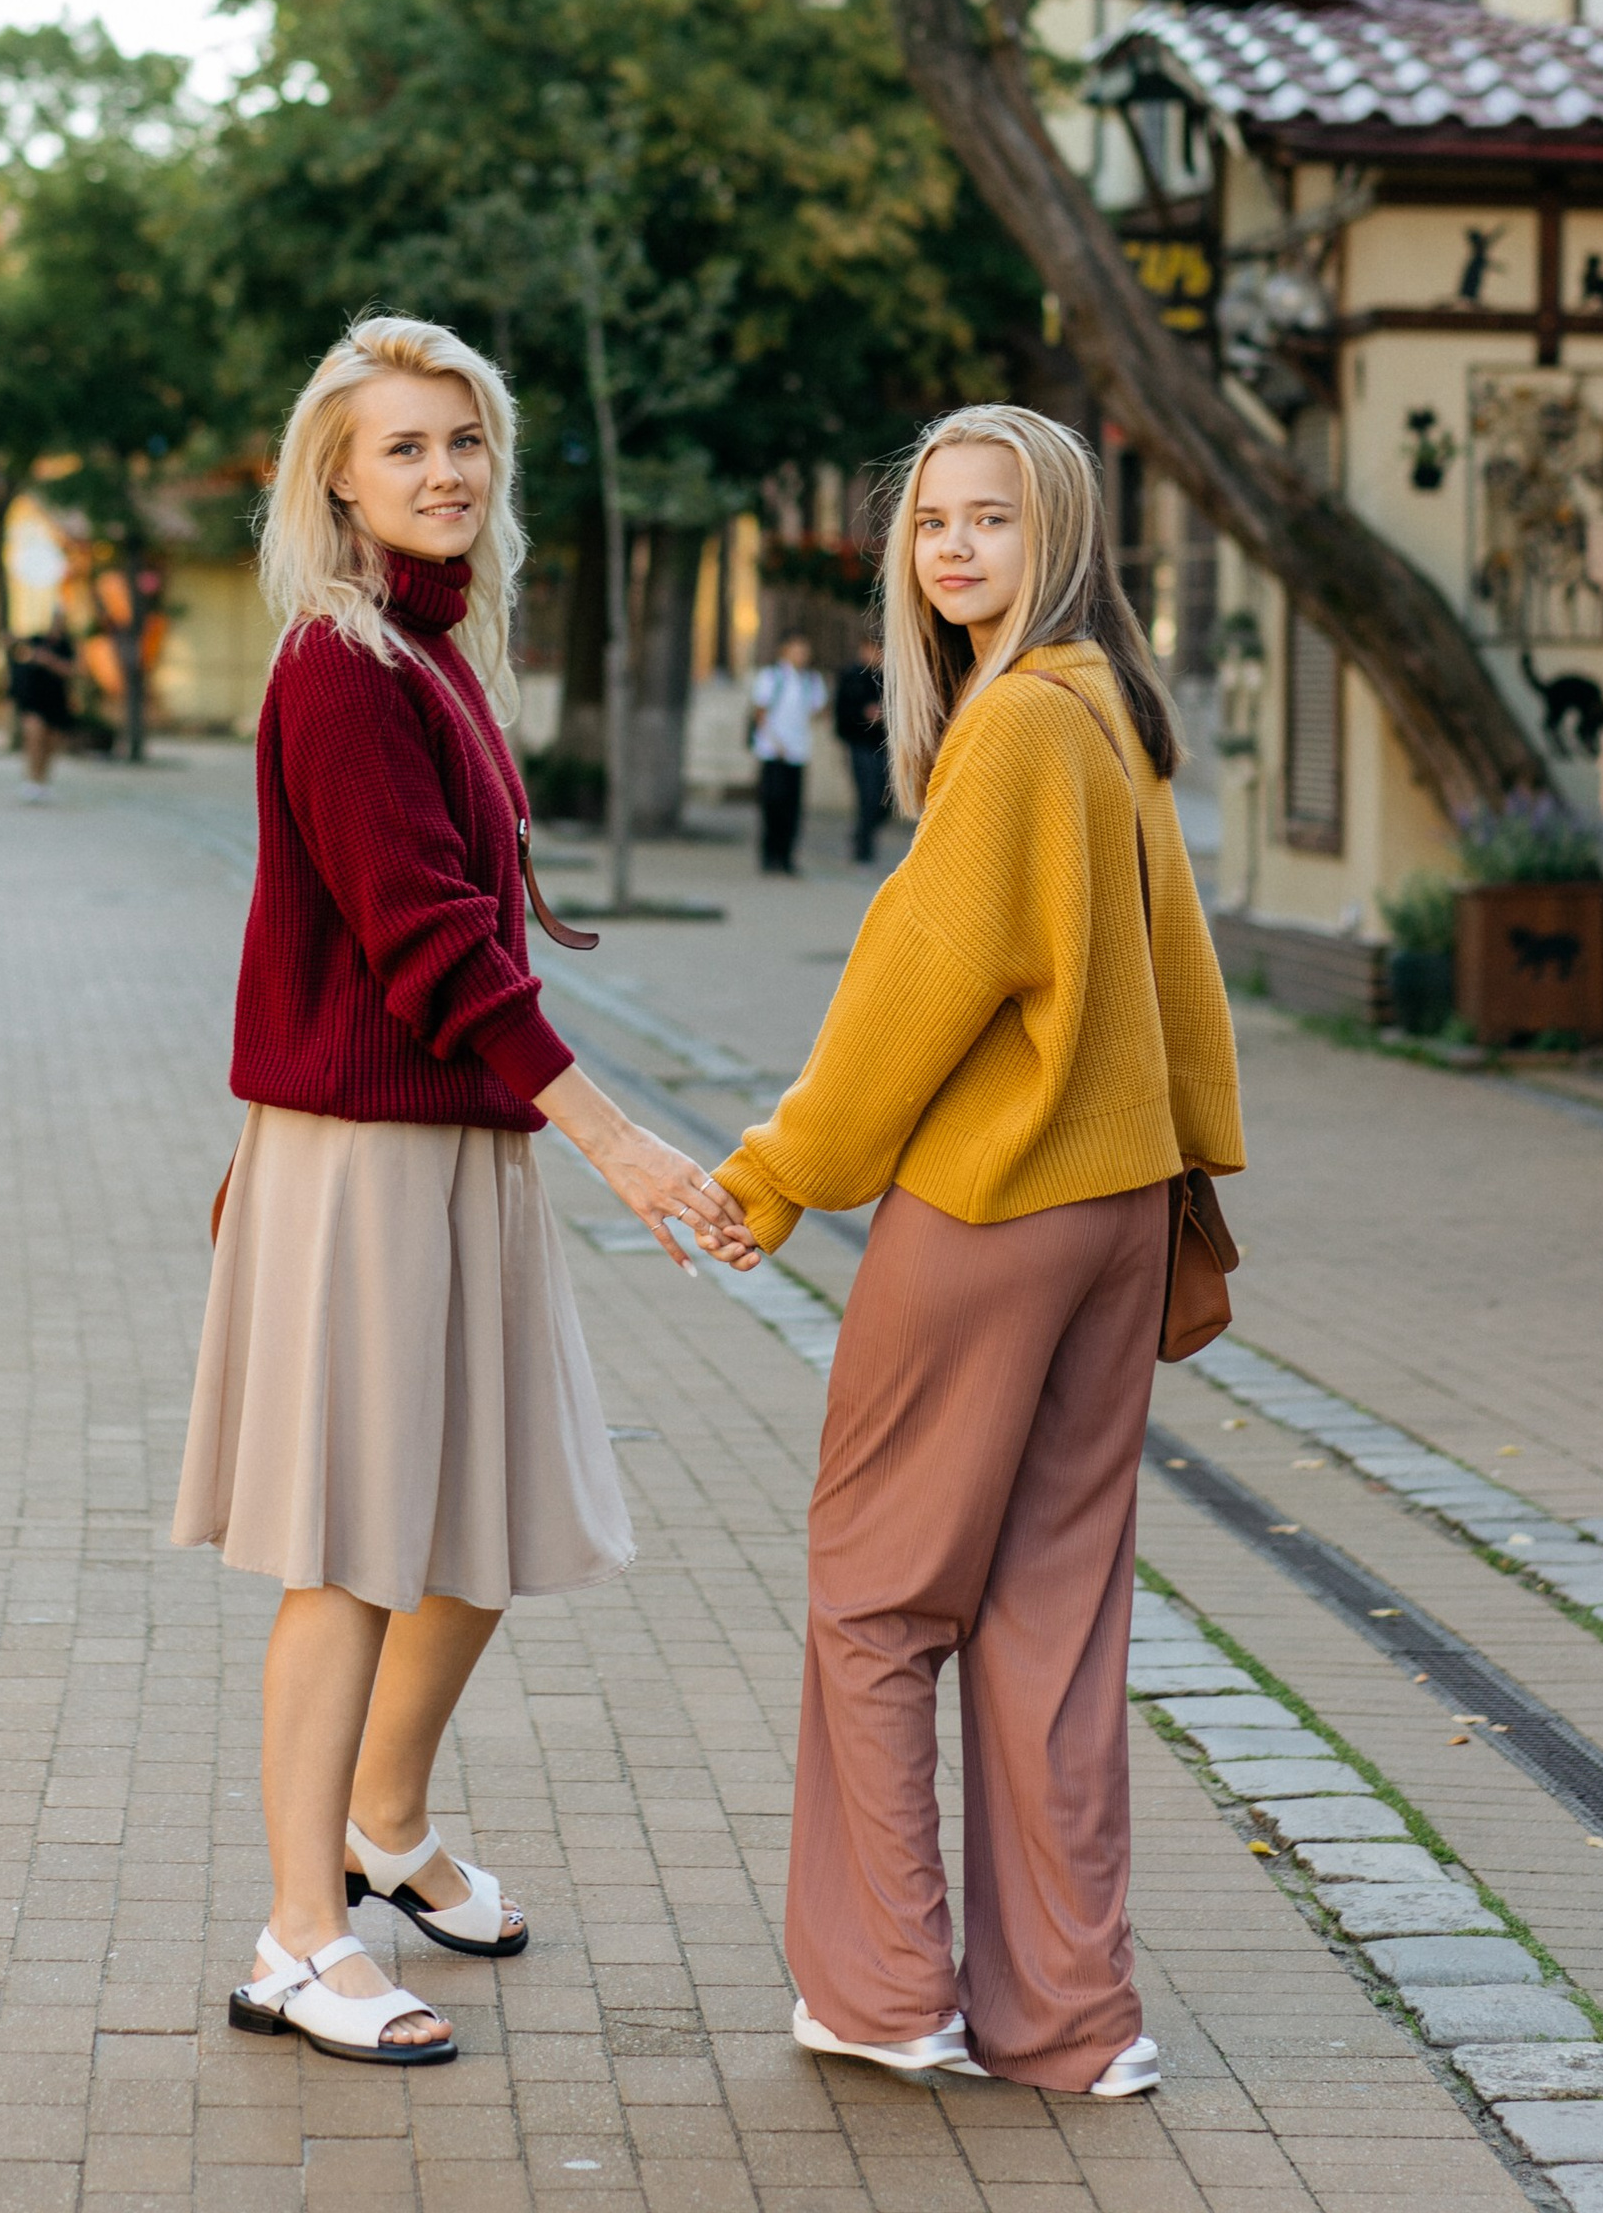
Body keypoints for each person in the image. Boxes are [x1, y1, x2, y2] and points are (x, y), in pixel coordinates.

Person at [173, 314, 760, 2071]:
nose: (441, 470)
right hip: (373, 1161)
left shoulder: (437, 657)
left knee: (496, 1517)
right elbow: (419, 945)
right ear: (334, 476)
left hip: (450, 1148)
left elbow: (366, 931)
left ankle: (387, 1825)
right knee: (350, 1549)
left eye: (464, 442)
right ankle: (296, 1938)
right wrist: (627, 1142)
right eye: (403, 445)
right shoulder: (339, 666)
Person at [714, 404, 1243, 2097]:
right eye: (931, 521)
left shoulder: (1017, 728)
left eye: (991, 520)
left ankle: (887, 1994)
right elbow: (1183, 992)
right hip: (1116, 1216)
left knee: (875, 1597)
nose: (951, 547)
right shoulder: (1114, 716)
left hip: (992, 1209)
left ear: (1060, 539)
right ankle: (1072, 2026)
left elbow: (908, 999)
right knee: (1055, 1624)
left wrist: (779, 1176)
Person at [749, 629, 828, 874]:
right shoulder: (772, 677)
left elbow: (819, 709)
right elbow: (760, 711)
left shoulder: (811, 681)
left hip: (798, 751)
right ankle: (769, 855)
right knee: (772, 804)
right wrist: (775, 742)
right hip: (773, 751)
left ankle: (786, 856)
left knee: (792, 808)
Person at [833, 633, 890, 866]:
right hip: (859, 745)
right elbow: (842, 713)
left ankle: (862, 833)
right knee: (868, 796)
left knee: (886, 799)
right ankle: (863, 847)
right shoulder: (851, 677)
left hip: (883, 746)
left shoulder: (888, 677)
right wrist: (863, 716)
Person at [9, 615, 76, 797]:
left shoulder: (68, 645)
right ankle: (31, 779)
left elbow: (74, 670)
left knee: (51, 743)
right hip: (34, 699)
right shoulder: (37, 640)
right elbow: (19, 650)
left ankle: (43, 780)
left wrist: (50, 661)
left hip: (56, 700)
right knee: (34, 736)